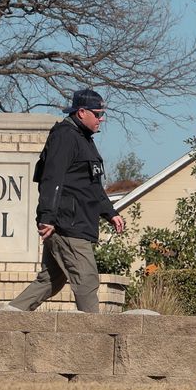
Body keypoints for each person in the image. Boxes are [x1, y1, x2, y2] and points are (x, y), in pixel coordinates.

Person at [9, 89, 125, 313]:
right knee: (87, 280)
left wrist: (110, 212)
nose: (102, 119)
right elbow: (52, 179)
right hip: (67, 225)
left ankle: (5, 318)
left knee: (50, 281)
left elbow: (92, 185)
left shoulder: (84, 139)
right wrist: (47, 218)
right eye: (98, 114)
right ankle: (94, 336)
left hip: (76, 222)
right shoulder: (65, 136)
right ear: (81, 112)